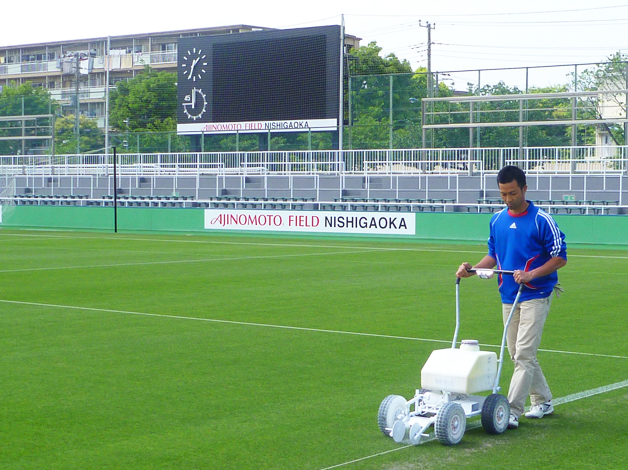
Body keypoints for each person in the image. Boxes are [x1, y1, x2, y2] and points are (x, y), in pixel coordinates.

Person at [456, 165, 567, 429]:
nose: (508, 199)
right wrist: (472, 270)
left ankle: (511, 410)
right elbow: (493, 256)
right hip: (508, 294)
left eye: (513, 193)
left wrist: (532, 275)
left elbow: (560, 257)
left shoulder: (542, 220)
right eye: (503, 194)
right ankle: (543, 400)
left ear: (524, 189)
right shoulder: (497, 220)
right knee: (518, 353)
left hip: (536, 294)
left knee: (524, 355)